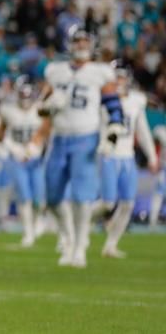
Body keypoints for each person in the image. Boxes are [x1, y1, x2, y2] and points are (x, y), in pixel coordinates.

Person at [38, 25, 124, 268]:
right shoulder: (55, 71)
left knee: (81, 197)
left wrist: (113, 132)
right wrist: (47, 106)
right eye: (78, 42)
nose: (81, 46)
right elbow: (41, 105)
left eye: (86, 42)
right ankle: (68, 237)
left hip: (86, 137)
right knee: (53, 198)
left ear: (93, 44)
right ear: (69, 44)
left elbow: (113, 104)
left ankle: (79, 247)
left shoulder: (100, 72)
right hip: (59, 137)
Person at [98, 62, 158, 258]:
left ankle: (111, 245)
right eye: (116, 77)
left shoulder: (136, 101)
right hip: (108, 154)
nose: (119, 81)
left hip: (127, 157)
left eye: (122, 77)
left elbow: (142, 131)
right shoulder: (103, 100)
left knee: (128, 204)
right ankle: (75, 228)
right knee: (107, 204)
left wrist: (151, 156)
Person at [0, 78, 46, 247]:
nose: (25, 100)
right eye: (22, 96)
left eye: (28, 96)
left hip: (35, 157)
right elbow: (1, 133)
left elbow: (46, 130)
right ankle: (28, 232)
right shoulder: (8, 110)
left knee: (39, 198)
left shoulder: (39, 110)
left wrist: (35, 147)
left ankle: (38, 223)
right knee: (24, 197)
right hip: (17, 158)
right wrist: (12, 148)